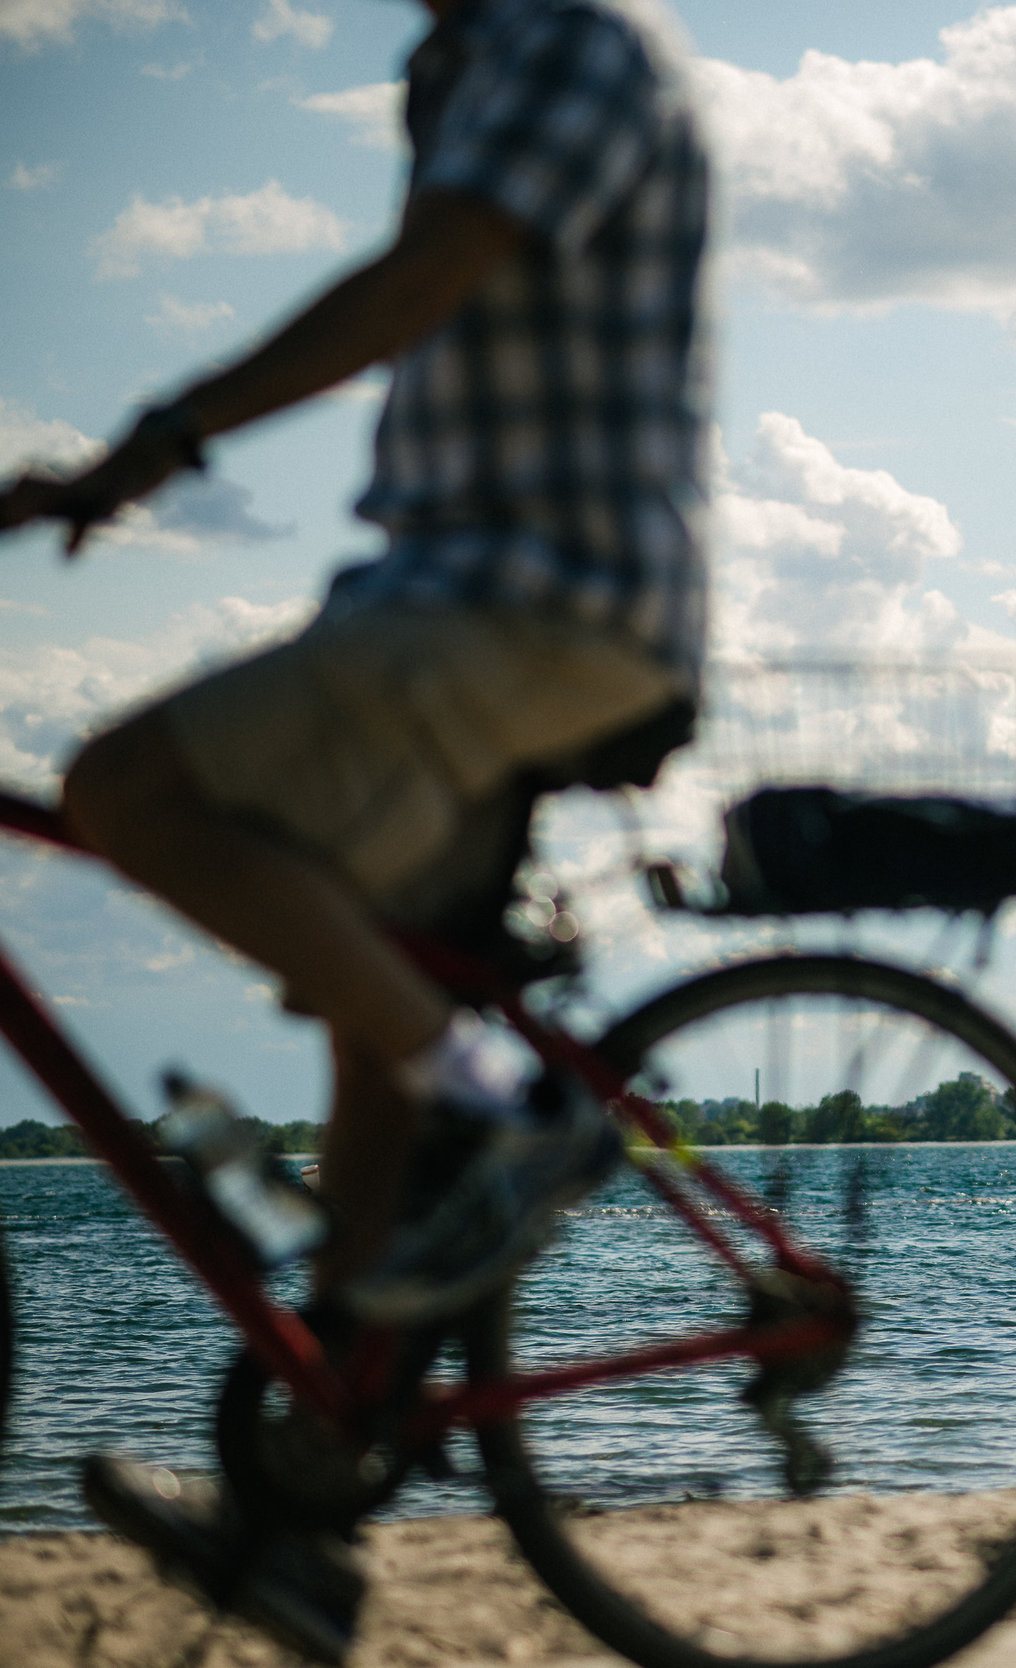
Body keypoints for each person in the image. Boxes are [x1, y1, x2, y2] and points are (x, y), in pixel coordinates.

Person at [0, 0, 711, 1656]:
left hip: (540, 597)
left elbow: (424, 278)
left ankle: (511, 1104)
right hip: (455, 590)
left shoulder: (568, 45)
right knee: (365, 1007)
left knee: (125, 787)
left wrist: (155, 444)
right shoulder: (463, 62)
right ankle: (305, 1518)